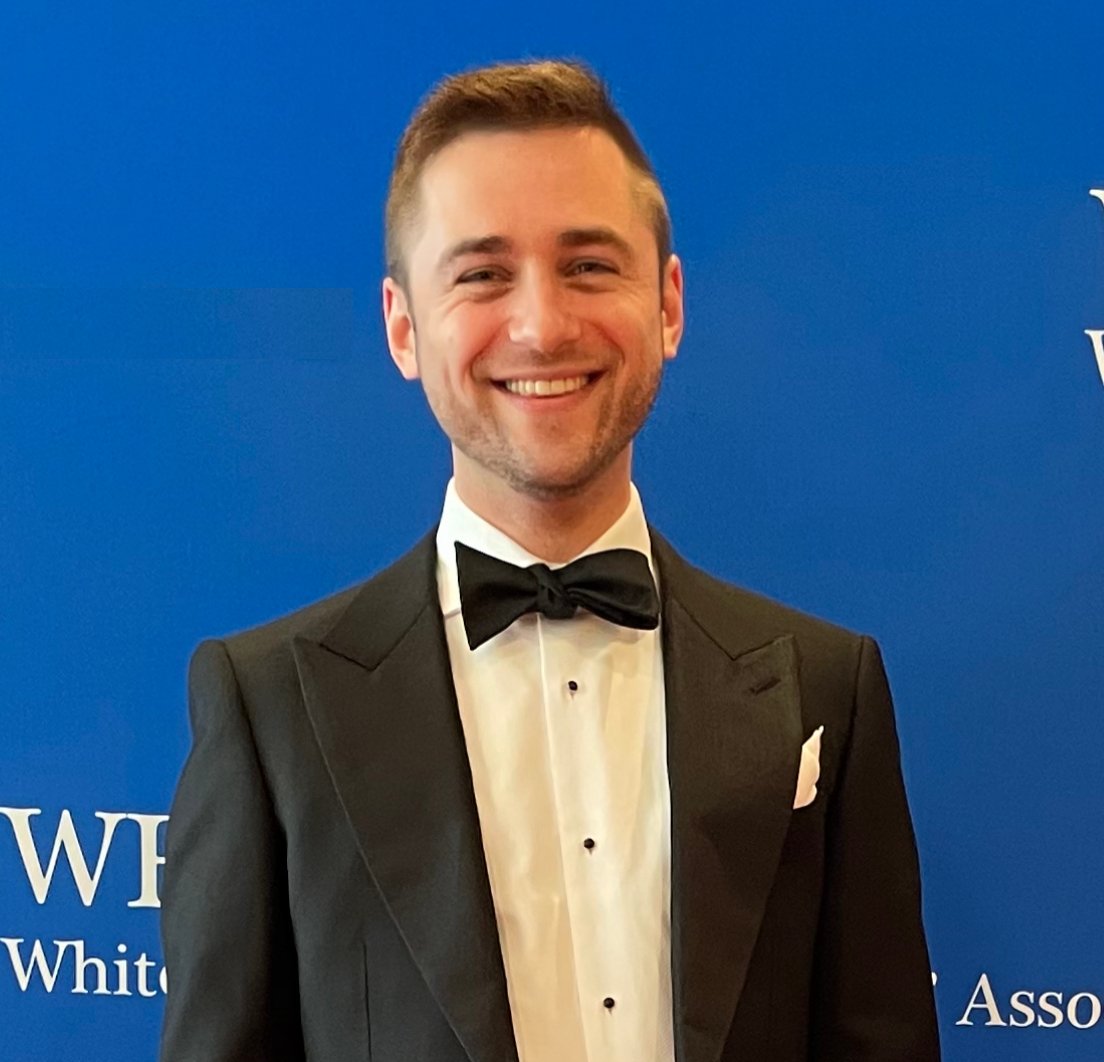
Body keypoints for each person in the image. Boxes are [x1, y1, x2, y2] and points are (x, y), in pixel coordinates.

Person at [159, 59, 940, 1062]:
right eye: (482, 274)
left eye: (589, 266)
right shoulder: (269, 708)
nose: (541, 325)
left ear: (668, 304)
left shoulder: (828, 688)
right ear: (403, 327)